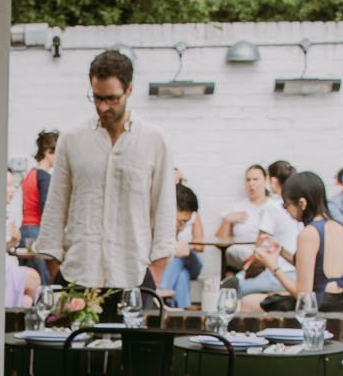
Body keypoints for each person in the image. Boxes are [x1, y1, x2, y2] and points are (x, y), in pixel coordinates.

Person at [34, 47, 175, 288]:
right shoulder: (72, 139)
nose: (102, 107)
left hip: (134, 274)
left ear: (129, 90)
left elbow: (163, 208)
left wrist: (156, 272)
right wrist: (54, 265)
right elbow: (56, 205)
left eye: (112, 99)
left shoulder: (154, 139)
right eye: (97, 97)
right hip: (78, 272)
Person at [251, 169, 343, 312]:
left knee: (247, 302)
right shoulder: (338, 227)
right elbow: (317, 268)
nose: (286, 211)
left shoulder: (308, 234)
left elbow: (303, 295)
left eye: (286, 205)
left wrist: (272, 266)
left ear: (302, 203)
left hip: (320, 307)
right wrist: (281, 251)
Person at [214, 162, 299, 298]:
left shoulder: (272, 207)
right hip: (296, 272)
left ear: (271, 180)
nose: (251, 184)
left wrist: (244, 273)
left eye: (256, 179)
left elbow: (260, 251)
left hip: (277, 273)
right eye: (248, 180)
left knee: (227, 291)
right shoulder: (298, 207)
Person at [166, 181, 204, 307]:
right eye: (181, 222)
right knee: (182, 275)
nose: (182, 228)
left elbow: (200, 245)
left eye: (185, 223)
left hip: (190, 260)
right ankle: (179, 313)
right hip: (178, 265)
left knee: (179, 256)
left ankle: (160, 294)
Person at [19, 131, 59, 248]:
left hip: (25, 229)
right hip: (36, 231)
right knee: (40, 267)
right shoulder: (45, 177)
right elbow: (46, 208)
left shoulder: (30, 174)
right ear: (48, 152)